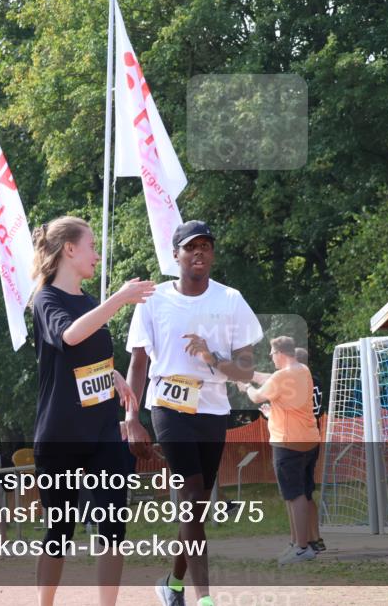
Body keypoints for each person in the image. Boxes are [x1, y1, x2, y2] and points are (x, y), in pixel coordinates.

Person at [124, 219, 263, 606]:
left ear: (213, 253)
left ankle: (173, 582)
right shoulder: (153, 299)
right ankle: (204, 599)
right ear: (176, 254)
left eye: (205, 245)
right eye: (190, 246)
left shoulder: (230, 300)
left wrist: (211, 356)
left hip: (213, 409)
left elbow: (246, 369)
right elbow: (137, 363)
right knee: (190, 496)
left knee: (196, 509)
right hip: (168, 406)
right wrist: (132, 419)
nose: (199, 252)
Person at [29, 216, 154, 606]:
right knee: (60, 529)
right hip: (60, 434)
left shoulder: (89, 303)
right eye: (91, 247)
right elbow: (69, 336)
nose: (96, 255)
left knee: (113, 526)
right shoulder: (45, 299)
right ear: (69, 249)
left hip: (103, 432)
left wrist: (111, 373)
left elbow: (86, 355)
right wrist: (119, 298)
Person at [238, 336, 320, 565]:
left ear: (279, 353)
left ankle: (302, 548)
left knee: (295, 496)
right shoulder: (301, 369)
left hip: (287, 442)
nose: (271, 358)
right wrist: (251, 375)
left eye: (272, 355)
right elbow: (271, 379)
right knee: (299, 493)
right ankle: (298, 544)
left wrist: (246, 386)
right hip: (308, 439)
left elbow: (257, 396)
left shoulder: (283, 375)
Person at [294, 347, 325, 553]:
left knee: (298, 494)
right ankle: (315, 537)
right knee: (307, 491)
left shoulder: (296, 382)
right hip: (313, 437)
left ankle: (302, 541)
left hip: (297, 439)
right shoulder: (317, 381)